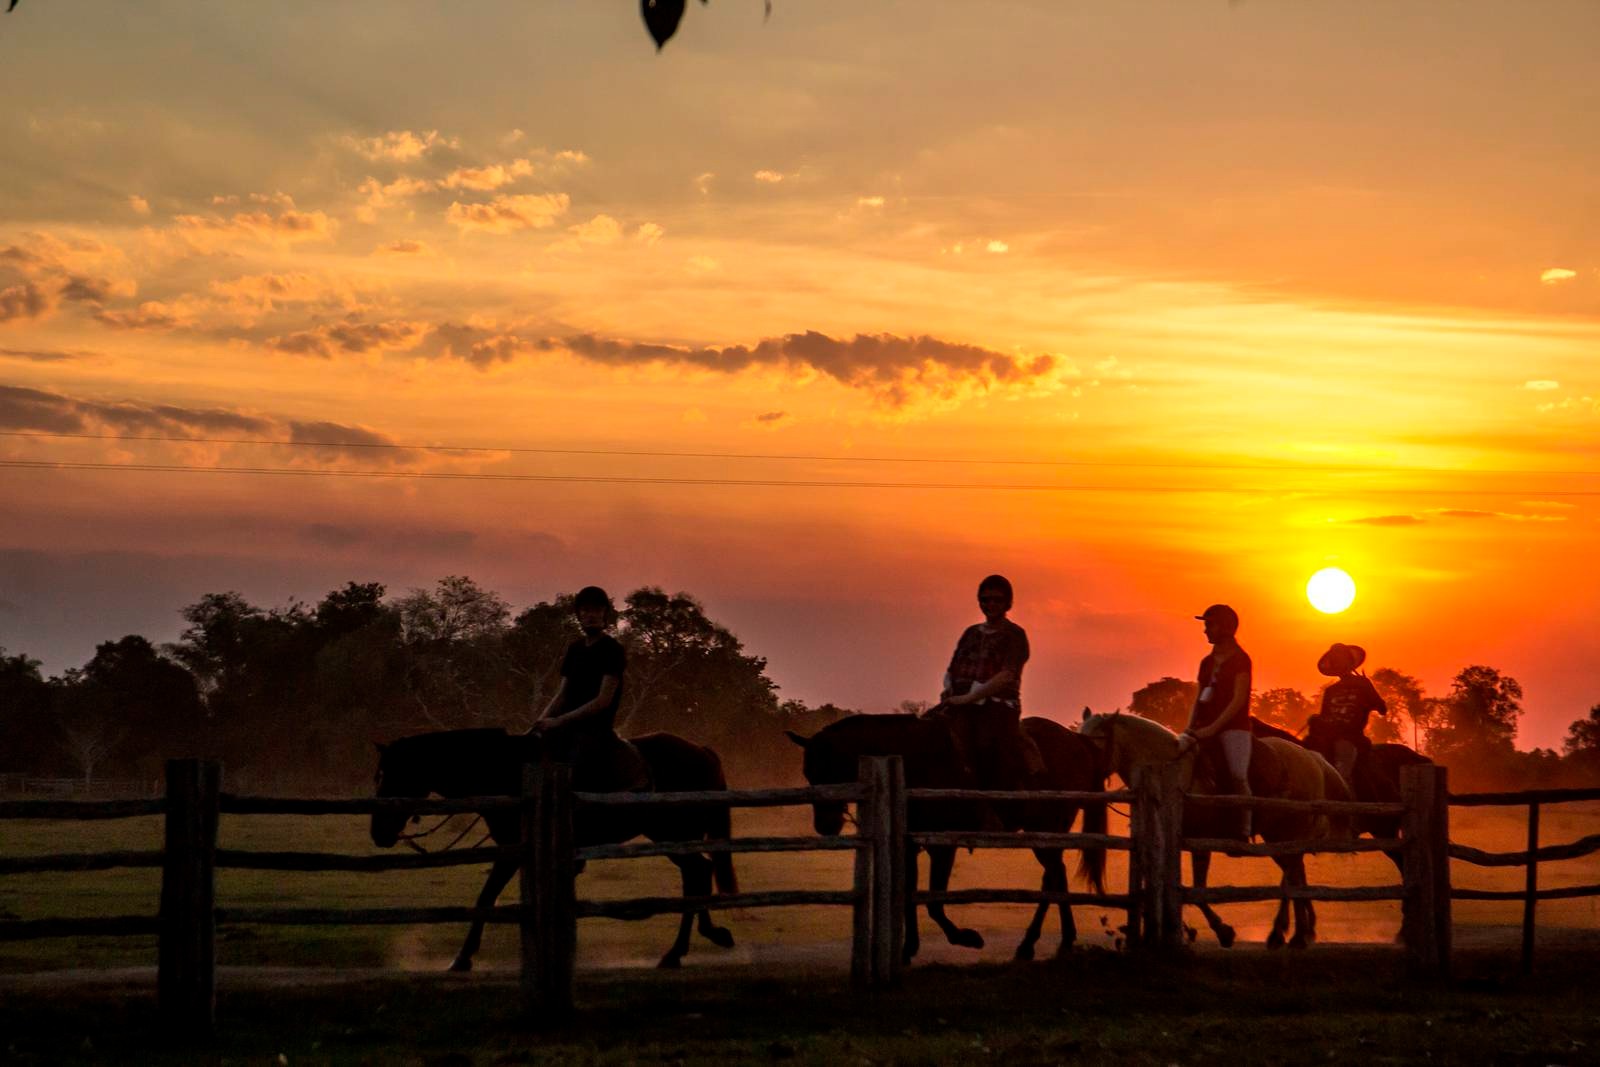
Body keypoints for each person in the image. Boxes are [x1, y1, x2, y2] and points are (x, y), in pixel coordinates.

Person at [526, 586, 650, 793]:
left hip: (595, 730)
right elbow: (562, 694)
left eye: (595, 610)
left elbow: (603, 700)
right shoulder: (575, 650)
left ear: (604, 614)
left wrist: (559, 720)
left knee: (577, 767)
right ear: (579, 616)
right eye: (585, 611)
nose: (590, 616)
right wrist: (539, 724)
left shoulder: (612, 650)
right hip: (565, 726)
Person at [932, 574, 1044, 792]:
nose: (990, 604)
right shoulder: (971, 633)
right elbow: (953, 667)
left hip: (998, 704)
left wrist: (969, 697)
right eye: (985, 599)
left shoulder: (1014, 635)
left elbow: (1007, 676)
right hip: (960, 702)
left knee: (987, 748)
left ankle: (999, 801)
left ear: (1008, 603)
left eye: (997, 600)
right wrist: (949, 691)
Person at [1176, 604, 1254, 839]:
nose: (1206, 630)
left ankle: (1244, 826)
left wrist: (1213, 728)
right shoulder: (1206, 663)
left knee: (1237, 775)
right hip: (1202, 727)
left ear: (1226, 627)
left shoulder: (1241, 660)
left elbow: (1238, 700)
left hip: (1234, 728)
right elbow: (1199, 698)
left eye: (1210, 624)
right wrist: (1191, 727)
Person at [1306, 642, 1387, 789]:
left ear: (1349, 663)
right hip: (1329, 738)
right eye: (1336, 661)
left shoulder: (1362, 684)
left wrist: (1366, 688)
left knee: (1341, 771)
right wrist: (1316, 720)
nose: (1339, 664)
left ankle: (1345, 797)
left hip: (1351, 738)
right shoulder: (1331, 690)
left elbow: (1381, 708)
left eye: (1341, 660)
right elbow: (1324, 716)